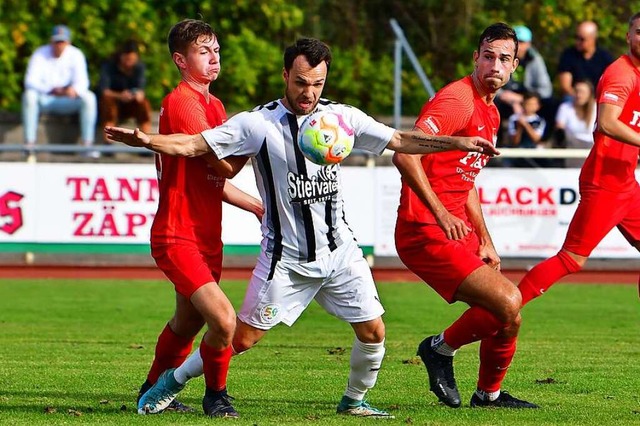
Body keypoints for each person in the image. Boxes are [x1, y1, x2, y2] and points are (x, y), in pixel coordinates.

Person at [106, 37, 499, 418]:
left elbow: (400, 139)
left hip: (341, 252)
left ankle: (353, 401)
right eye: (300, 83)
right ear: (285, 76)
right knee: (240, 339)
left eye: (317, 83)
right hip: (287, 260)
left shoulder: (343, 118)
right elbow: (193, 145)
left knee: (374, 332)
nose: (308, 92)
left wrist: (457, 143)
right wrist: (146, 139)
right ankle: (172, 381)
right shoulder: (258, 123)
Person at [393, 23, 537, 409]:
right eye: (488, 56)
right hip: (424, 229)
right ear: (476, 58)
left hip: (456, 228)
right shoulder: (458, 100)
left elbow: (466, 180)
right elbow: (404, 152)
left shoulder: (490, 112)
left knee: (508, 315)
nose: (495, 64)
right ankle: (440, 350)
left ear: (514, 66)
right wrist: (440, 214)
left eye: (504, 59)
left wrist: (485, 238)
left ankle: (487, 395)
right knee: (507, 300)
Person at [133, 19, 263, 418]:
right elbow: (222, 166)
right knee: (224, 321)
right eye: (204, 52)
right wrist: (259, 136)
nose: (214, 58)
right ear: (180, 60)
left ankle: (152, 387)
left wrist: (258, 207)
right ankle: (216, 395)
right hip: (178, 234)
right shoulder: (183, 103)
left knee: (187, 324)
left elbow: (212, 182)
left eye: (217, 50)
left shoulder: (215, 105)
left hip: (207, 236)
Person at [517, 12, 640, 311]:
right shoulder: (621, 73)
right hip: (605, 182)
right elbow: (607, 123)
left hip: (624, 181)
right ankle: (504, 304)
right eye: (639, 31)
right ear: (628, 36)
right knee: (571, 259)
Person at [22, 24, 98, 157]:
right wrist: (50, 89)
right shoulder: (40, 53)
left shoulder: (76, 54)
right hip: (45, 99)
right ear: (51, 41)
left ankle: (87, 144)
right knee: (29, 96)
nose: (59, 45)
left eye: (62, 42)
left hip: (68, 100)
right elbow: (30, 81)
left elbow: (83, 82)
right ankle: (30, 144)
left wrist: (73, 90)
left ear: (68, 42)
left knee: (89, 98)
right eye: (56, 41)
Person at [495, 25, 553, 145]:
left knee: (552, 104)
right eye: (515, 41)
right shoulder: (501, 57)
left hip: (529, 97)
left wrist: (523, 100)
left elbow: (546, 89)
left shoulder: (535, 60)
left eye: (521, 42)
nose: (518, 45)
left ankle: (545, 143)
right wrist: (509, 99)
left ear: (528, 44)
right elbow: (493, 82)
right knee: (492, 104)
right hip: (505, 99)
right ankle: (495, 143)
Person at [98, 39, 152, 140]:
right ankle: (108, 142)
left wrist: (137, 95)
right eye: (127, 59)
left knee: (144, 104)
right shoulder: (109, 66)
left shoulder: (139, 67)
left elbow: (141, 90)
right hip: (113, 102)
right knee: (108, 105)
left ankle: (145, 139)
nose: (129, 63)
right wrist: (120, 95)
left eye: (132, 60)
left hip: (131, 104)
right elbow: (104, 91)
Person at [557, 21, 614, 102]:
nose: (577, 42)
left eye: (582, 39)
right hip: (573, 100)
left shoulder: (605, 57)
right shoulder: (568, 55)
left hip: (596, 101)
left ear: (593, 39)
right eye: (576, 37)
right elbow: (565, 86)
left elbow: (610, 85)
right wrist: (581, 99)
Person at [554, 79, 596, 167]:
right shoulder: (565, 107)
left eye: (582, 92)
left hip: (592, 147)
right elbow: (559, 129)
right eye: (577, 91)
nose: (579, 95)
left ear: (589, 94)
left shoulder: (596, 108)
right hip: (571, 146)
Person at [507, 91, 548, 167]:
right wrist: (519, 127)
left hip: (533, 154)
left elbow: (536, 138)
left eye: (533, 104)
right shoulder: (514, 119)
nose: (529, 106)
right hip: (517, 154)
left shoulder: (539, 121)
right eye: (528, 103)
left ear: (538, 106)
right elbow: (515, 141)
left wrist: (525, 125)